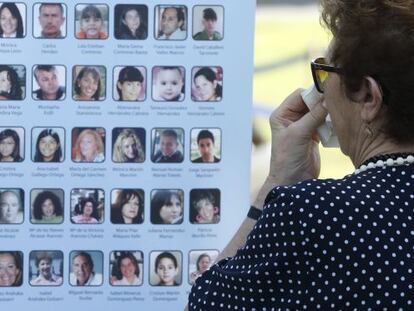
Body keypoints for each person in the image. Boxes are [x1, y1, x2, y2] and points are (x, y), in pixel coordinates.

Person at [188, 0, 414, 309]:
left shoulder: (313, 213)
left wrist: (277, 182)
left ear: (368, 96)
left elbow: (203, 305)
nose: (320, 92)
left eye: (324, 73)